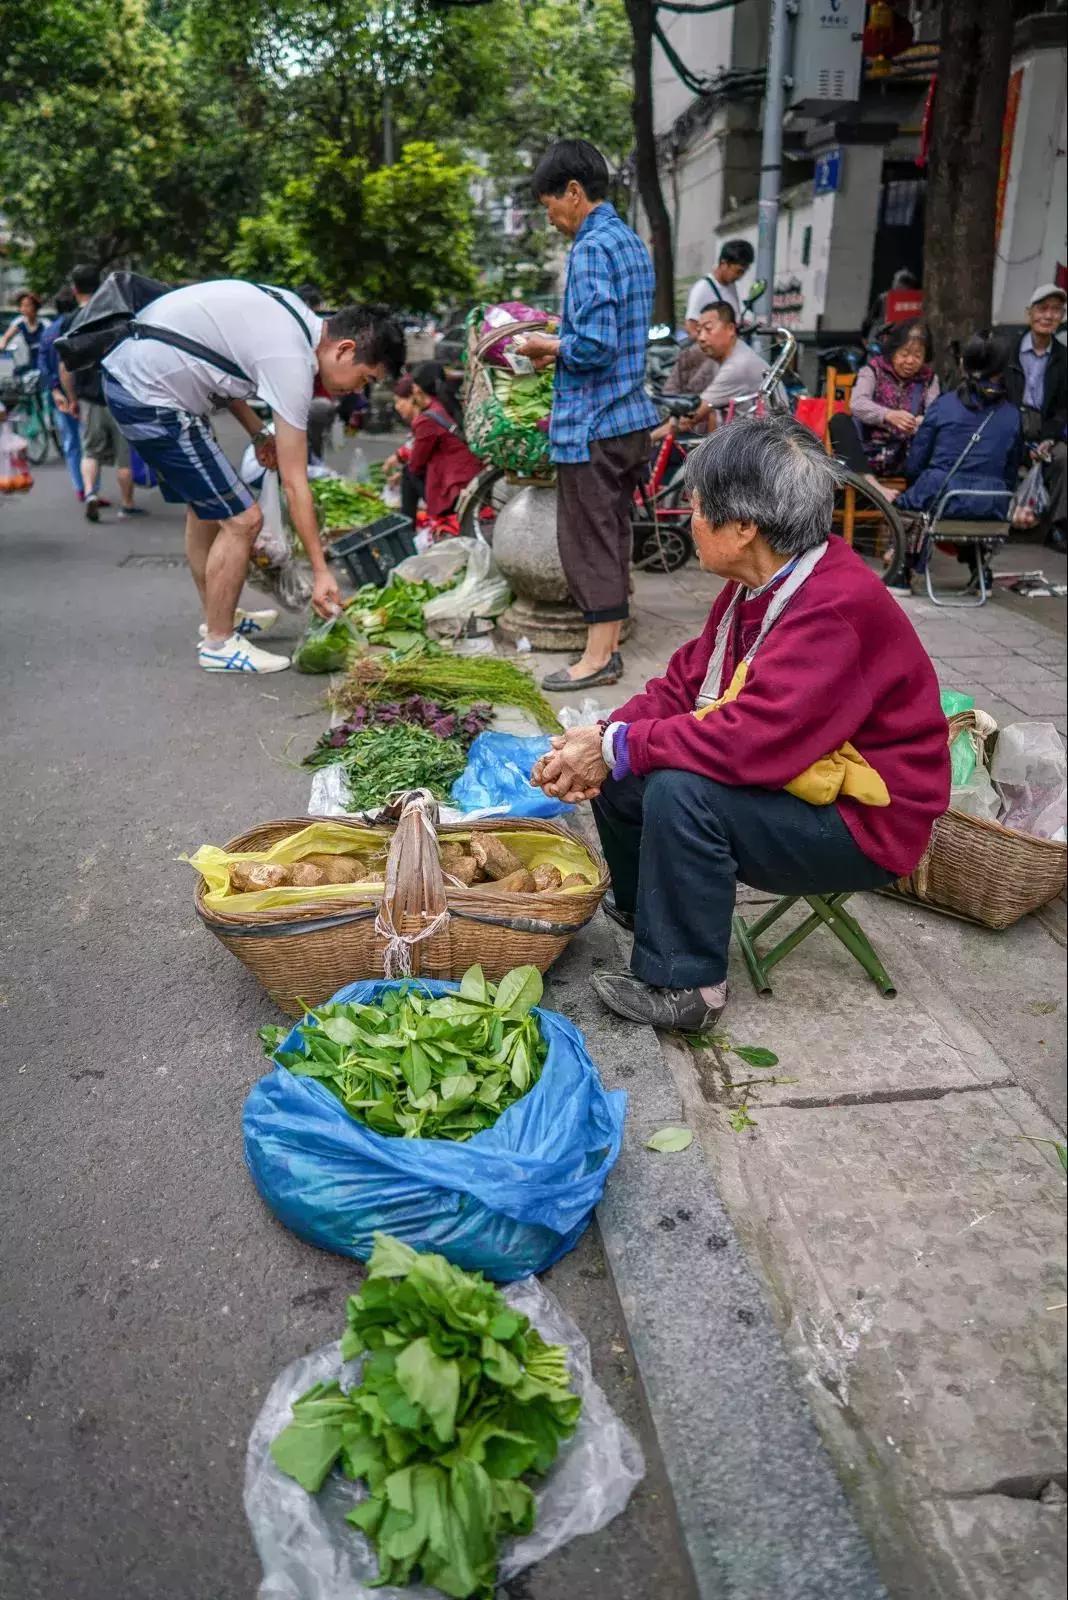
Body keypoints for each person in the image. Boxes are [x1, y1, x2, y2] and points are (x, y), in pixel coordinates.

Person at [529, 415, 950, 1030]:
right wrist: (594, 739)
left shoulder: (834, 607)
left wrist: (621, 745)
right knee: (626, 764)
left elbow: (753, 743)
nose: (688, 520)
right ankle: (647, 912)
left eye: (698, 508)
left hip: (866, 823)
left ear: (745, 526)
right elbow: (681, 686)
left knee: (680, 787)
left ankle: (689, 988)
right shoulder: (758, 584)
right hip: (804, 776)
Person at [101, 281, 404, 674]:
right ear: (345, 350)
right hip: (150, 394)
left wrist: (259, 433)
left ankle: (216, 616)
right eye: (364, 379)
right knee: (243, 519)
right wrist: (321, 571)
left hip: (142, 379)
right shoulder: (292, 359)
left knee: (209, 509)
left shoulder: (294, 315)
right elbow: (296, 483)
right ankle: (219, 643)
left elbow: (224, 369)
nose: (355, 391)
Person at [514, 139, 658, 691]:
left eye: (551, 205)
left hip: (594, 422)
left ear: (575, 192)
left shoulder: (592, 248)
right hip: (627, 419)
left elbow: (595, 345)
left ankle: (598, 659)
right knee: (613, 532)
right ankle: (609, 643)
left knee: (588, 539)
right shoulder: (630, 243)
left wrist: (545, 346)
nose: (551, 218)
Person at [893, 333, 1021, 592]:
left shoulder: (943, 406)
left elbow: (916, 462)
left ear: (964, 365)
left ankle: (902, 573)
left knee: (906, 503)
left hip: (943, 494)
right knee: (968, 500)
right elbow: (1011, 469)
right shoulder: (1013, 414)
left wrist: (915, 481)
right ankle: (978, 568)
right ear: (1000, 371)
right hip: (994, 501)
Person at [61, 263, 141, 523]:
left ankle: (90, 495)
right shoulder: (116, 315)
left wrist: (71, 398)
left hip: (88, 399)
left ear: (74, 288)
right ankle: (127, 504)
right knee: (124, 456)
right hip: (119, 396)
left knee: (90, 452)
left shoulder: (73, 320)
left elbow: (65, 367)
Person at [828, 320, 939, 480]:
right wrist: (888, 415)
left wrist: (920, 422)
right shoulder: (872, 370)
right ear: (893, 351)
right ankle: (871, 484)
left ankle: (913, 496)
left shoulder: (929, 379)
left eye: (917, 356)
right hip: (867, 454)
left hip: (908, 455)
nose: (910, 361)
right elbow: (857, 404)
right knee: (839, 421)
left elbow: (935, 415)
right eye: (904, 354)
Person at [1004, 283, 1067, 554]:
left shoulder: (1064, 357)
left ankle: (1051, 527)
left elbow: (1063, 408)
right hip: (1011, 422)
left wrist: (1048, 439)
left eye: (1056, 310)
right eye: (1042, 309)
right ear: (1030, 313)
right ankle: (998, 521)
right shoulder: (1009, 349)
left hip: (1044, 427)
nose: (1048, 316)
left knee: (1064, 458)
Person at [405, 361, 483, 536]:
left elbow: (416, 464)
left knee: (408, 473)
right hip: (472, 477)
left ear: (417, 389)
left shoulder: (427, 419)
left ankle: (407, 532)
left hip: (455, 487)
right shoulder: (449, 405)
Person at [691, 304, 777, 425]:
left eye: (708, 329)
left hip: (763, 439)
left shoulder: (737, 366)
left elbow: (692, 417)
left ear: (731, 329)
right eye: (699, 331)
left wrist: (654, 435)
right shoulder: (721, 358)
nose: (701, 338)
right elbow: (710, 406)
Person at [38, 285, 84, 501]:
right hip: (83, 393)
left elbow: (44, 366)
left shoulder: (48, 333)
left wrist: (55, 390)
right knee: (88, 445)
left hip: (60, 395)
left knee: (71, 441)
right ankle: (92, 488)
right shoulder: (81, 327)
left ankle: (80, 487)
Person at [684, 240, 755, 338]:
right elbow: (690, 327)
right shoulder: (702, 289)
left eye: (743, 272)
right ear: (724, 263)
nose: (740, 277)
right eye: (738, 271)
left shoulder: (731, 286)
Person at [861, 267, 920, 346]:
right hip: (882, 338)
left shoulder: (916, 302)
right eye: (900, 287)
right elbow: (869, 319)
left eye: (904, 288)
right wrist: (864, 336)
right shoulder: (884, 298)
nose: (902, 290)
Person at [1, 291, 44, 372]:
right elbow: (6, 337)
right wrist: (2, 345)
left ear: (35, 307)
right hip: (23, 367)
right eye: (22, 305)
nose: (24, 308)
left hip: (41, 365)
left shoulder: (44, 324)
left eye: (27, 305)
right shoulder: (19, 323)